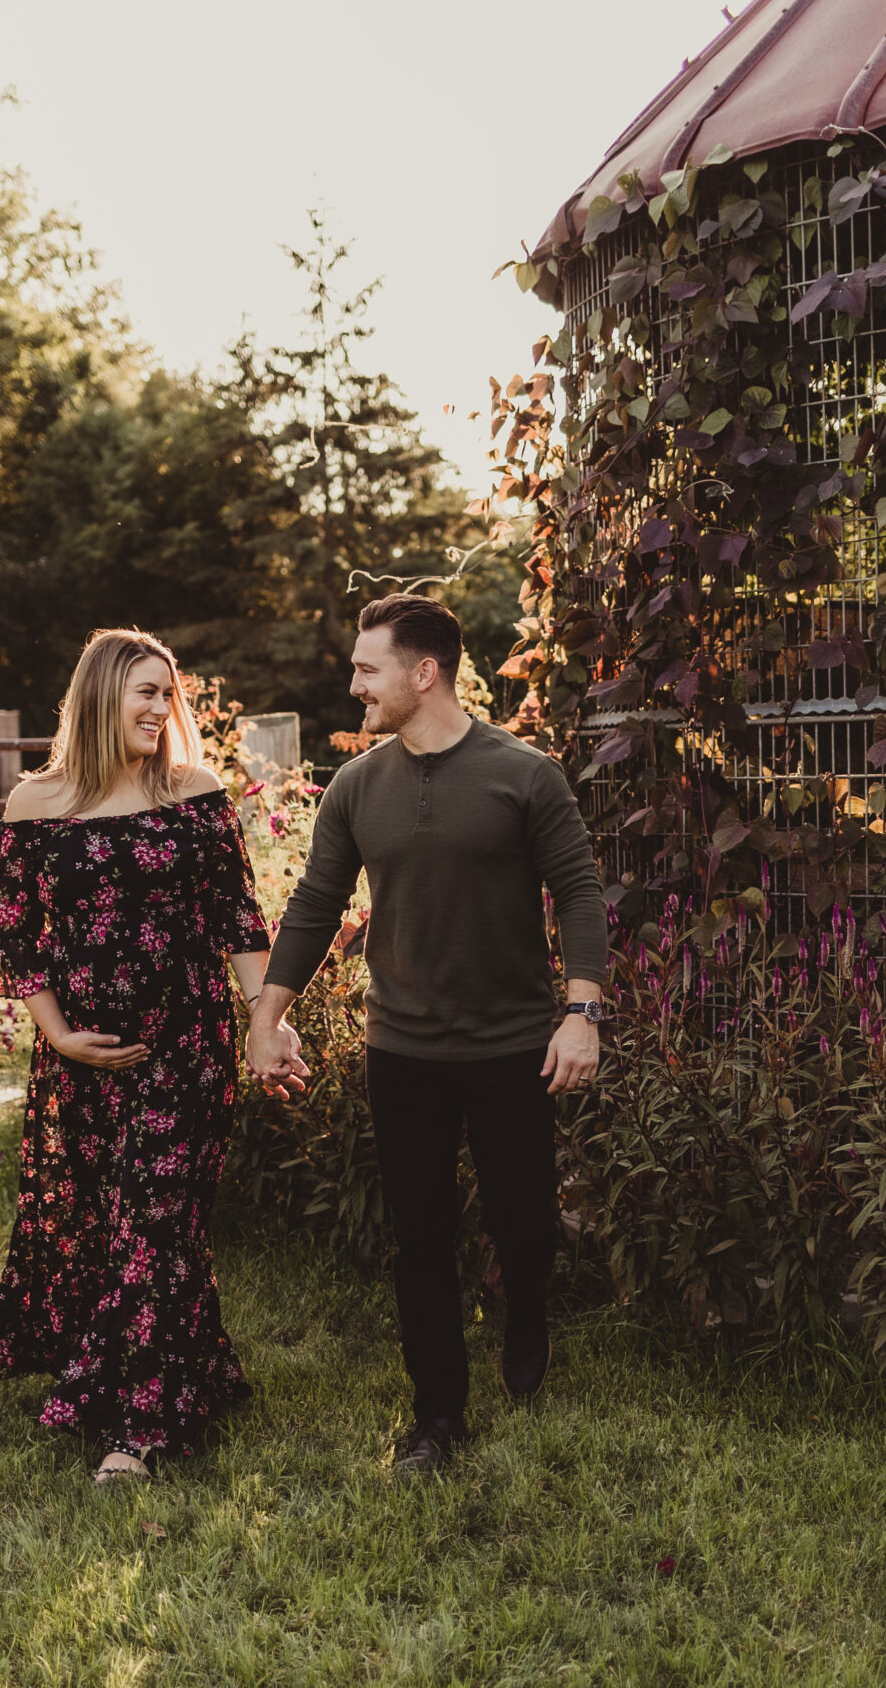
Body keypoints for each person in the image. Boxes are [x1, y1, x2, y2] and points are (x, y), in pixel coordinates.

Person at [246, 593, 608, 1475]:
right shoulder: (356, 786)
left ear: (424, 672)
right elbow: (315, 904)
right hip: (402, 1050)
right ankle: (437, 1415)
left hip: (512, 1048)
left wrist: (582, 1013)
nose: (354, 685)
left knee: (524, 1221)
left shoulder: (526, 775)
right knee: (420, 1235)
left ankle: (527, 1316)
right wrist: (267, 1015)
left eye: (367, 668)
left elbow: (580, 894)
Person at [0, 628, 294, 1484]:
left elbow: (237, 917)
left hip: (186, 1043)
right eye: (145, 692)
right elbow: (22, 939)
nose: (161, 708)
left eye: (168, 693)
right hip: (85, 1057)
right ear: (100, 695)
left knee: (155, 1217)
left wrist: (265, 1021)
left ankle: (135, 1427)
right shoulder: (35, 803)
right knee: (116, 1223)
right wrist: (57, 1034)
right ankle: (198, 1369)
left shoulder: (194, 791)